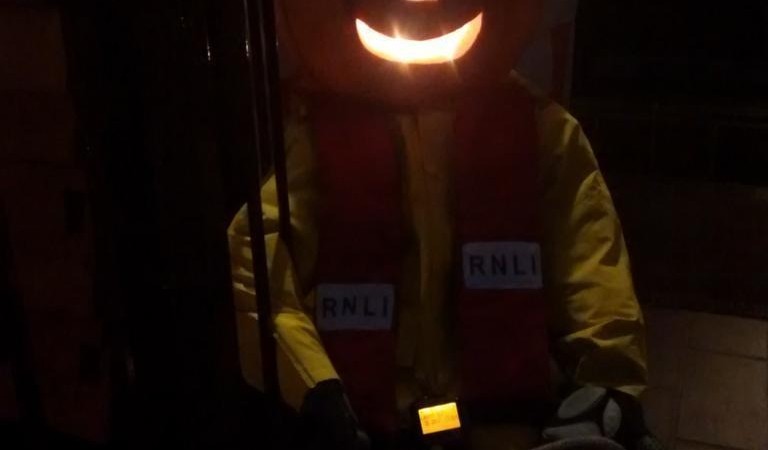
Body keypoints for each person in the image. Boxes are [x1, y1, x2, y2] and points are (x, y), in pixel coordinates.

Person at [229, 1, 655, 449]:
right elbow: (256, 270)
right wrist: (314, 388)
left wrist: (608, 384)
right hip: (366, 425)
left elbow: (590, 263)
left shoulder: (541, 134)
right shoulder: (306, 139)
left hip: (513, 426)